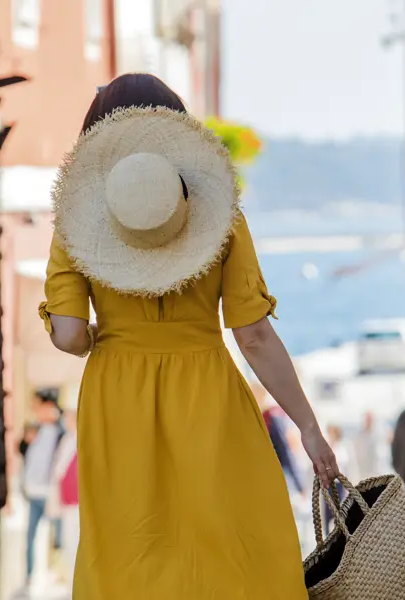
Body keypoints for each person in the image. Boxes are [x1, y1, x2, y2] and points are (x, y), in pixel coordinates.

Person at [38, 72, 338, 599]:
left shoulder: (77, 224)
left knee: (130, 554)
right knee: (232, 548)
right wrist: (308, 429)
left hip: (117, 396)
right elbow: (254, 338)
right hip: (207, 392)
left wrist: (94, 338)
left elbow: (66, 335)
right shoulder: (220, 218)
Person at [22, 388, 64, 587]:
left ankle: (65, 574)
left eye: (37, 406)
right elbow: (25, 453)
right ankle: (29, 576)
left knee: (62, 536)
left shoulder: (61, 431)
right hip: (34, 492)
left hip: (52, 493)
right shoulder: (35, 429)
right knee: (30, 535)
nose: (35, 410)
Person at [47, 384, 81, 591]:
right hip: (67, 504)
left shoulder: (83, 438)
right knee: (68, 546)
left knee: (76, 546)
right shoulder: (67, 439)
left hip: (80, 505)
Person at [351, 411, 382, 480]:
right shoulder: (358, 436)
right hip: (361, 473)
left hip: (375, 473)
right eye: (367, 420)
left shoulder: (377, 435)